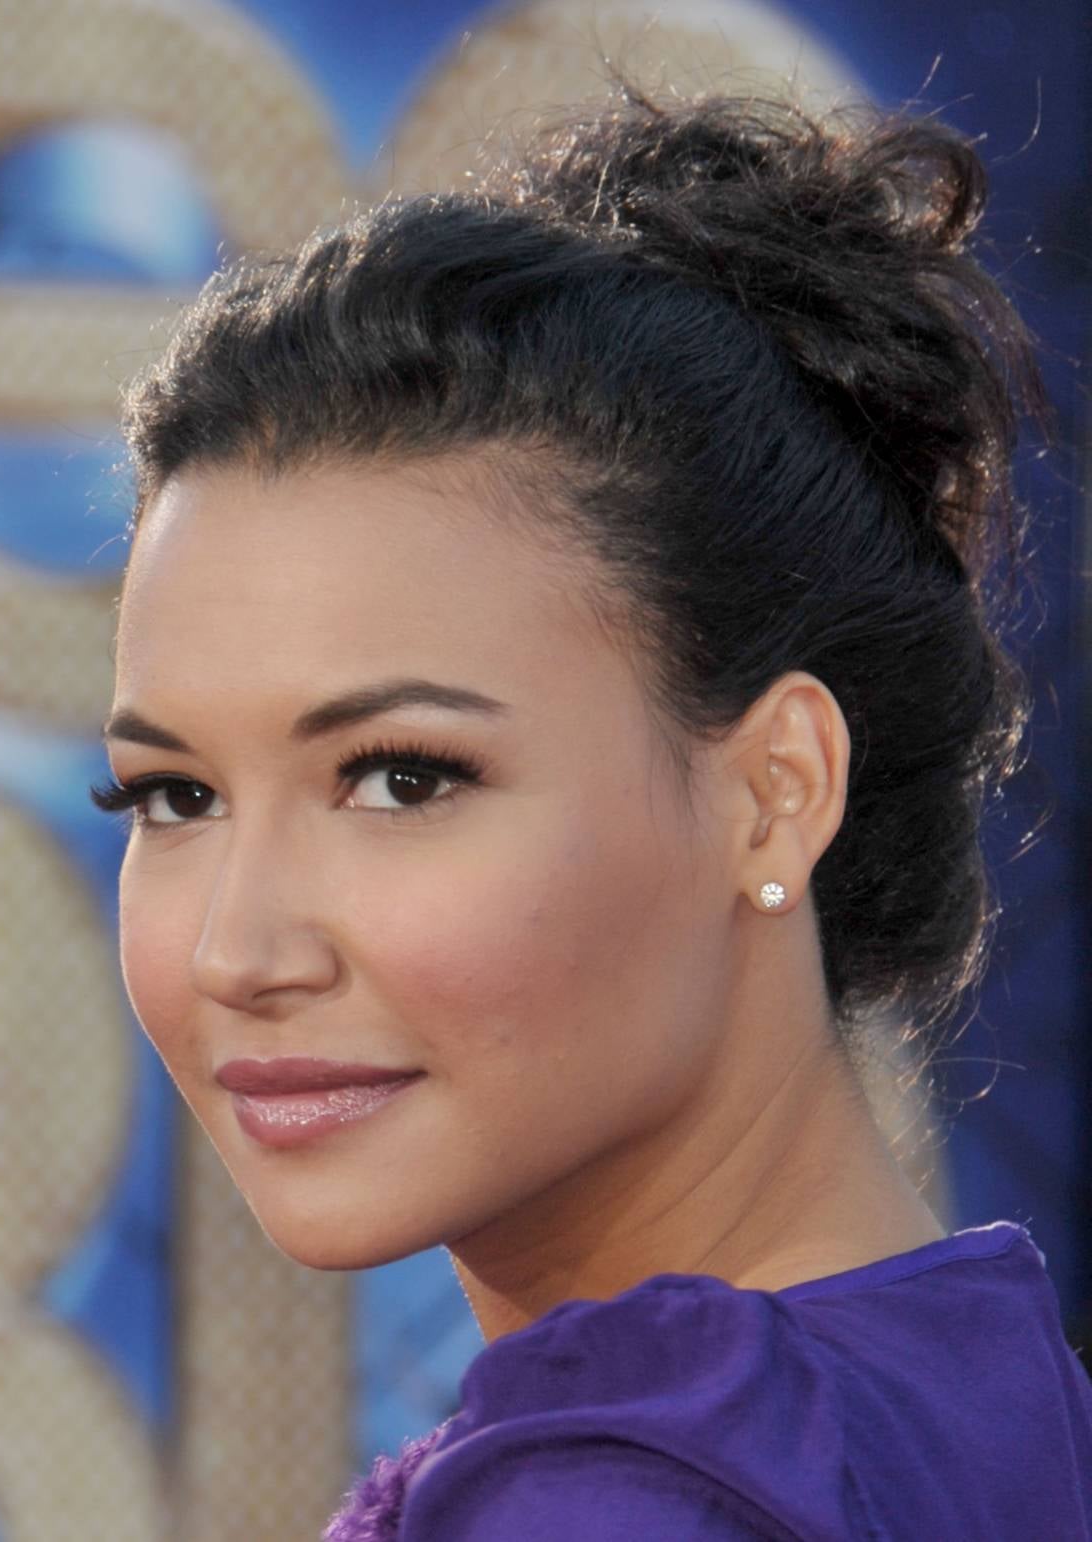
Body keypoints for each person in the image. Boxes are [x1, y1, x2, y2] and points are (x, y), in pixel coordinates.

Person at [92, 81, 1092, 1538]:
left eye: (401, 778)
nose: (236, 952)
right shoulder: (983, 1396)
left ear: (775, 790)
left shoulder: (618, 1502)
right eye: (173, 794)